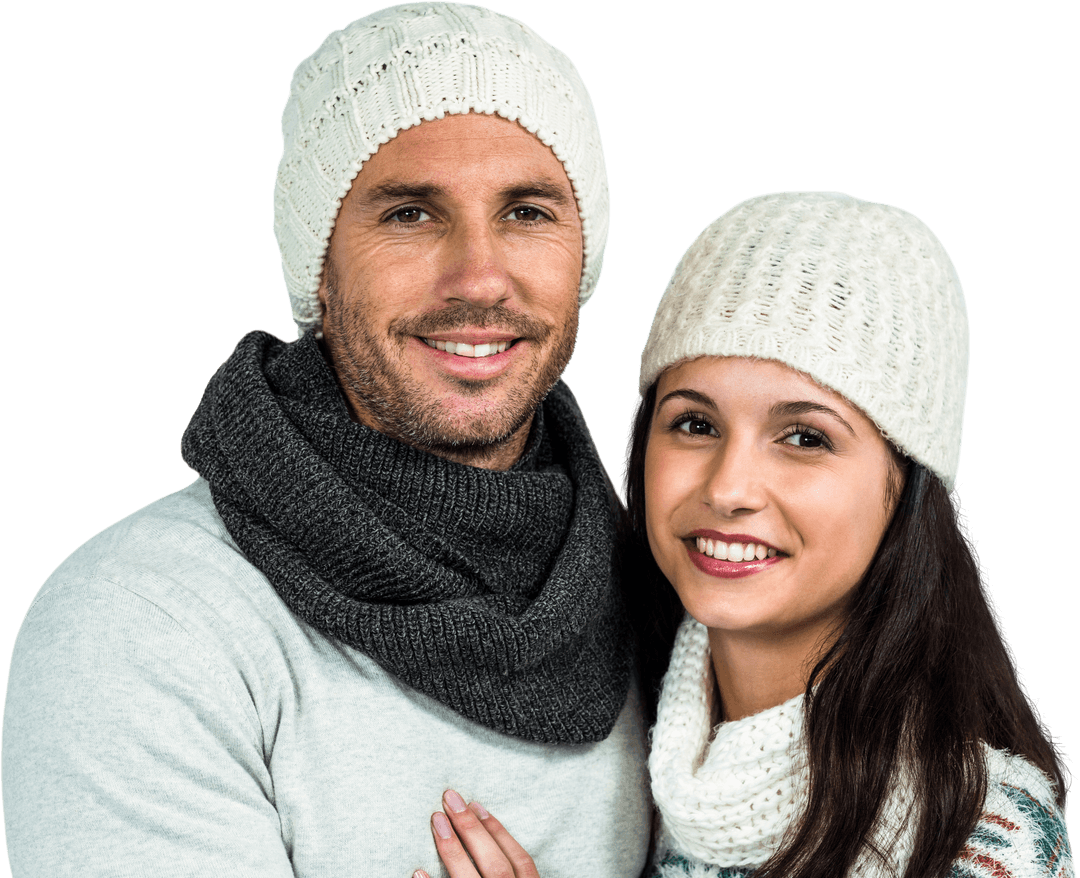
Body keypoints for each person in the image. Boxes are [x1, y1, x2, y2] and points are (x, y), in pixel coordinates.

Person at [1, 4, 650, 876]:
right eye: (412, 214)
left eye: (528, 211)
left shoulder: (671, 593)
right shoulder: (144, 623)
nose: (480, 277)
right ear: (320, 260)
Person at [418, 191, 1074, 877]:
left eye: (804, 437)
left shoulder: (980, 836)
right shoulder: (608, 750)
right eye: (695, 424)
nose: (729, 488)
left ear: (905, 487)